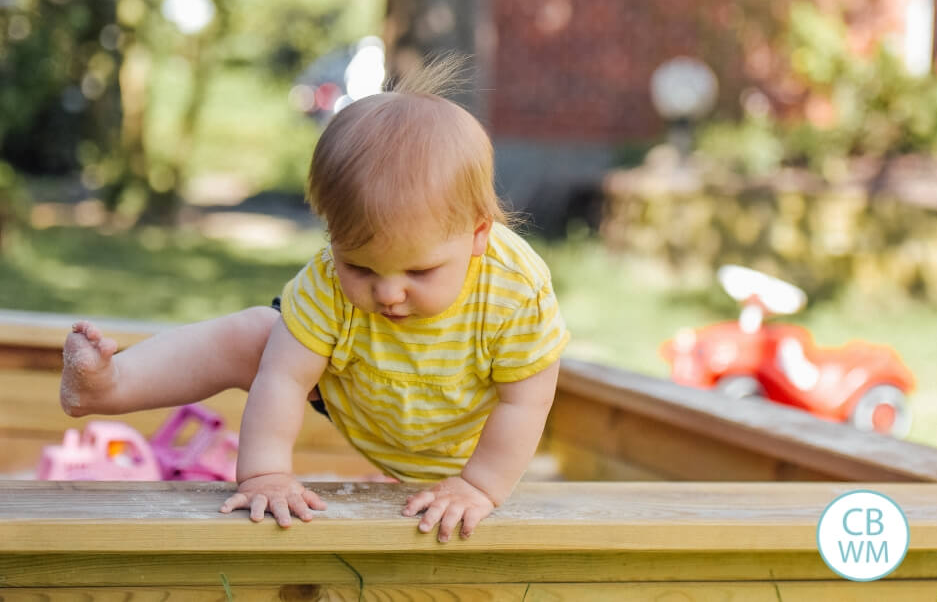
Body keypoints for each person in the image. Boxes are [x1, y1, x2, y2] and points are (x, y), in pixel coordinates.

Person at [60, 58, 569, 542]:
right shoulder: (325, 281)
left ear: (479, 235)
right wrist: (265, 475)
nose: (388, 293)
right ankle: (110, 385)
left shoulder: (514, 290)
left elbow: (526, 399)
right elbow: (283, 379)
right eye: (361, 267)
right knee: (258, 335)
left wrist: (479, 485)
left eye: (420, 270)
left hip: (467, 435)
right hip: (362, 390)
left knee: (504, 417)